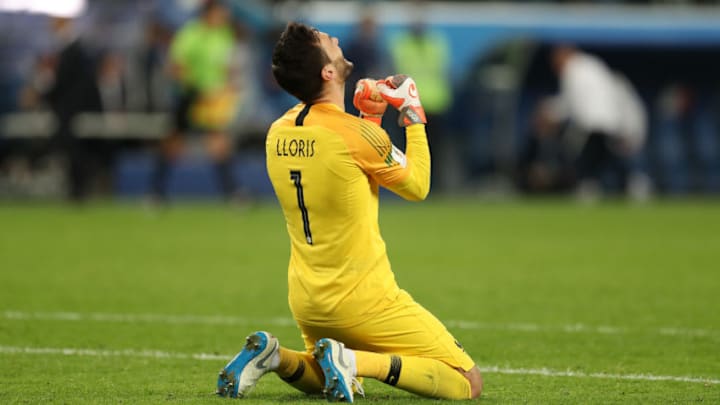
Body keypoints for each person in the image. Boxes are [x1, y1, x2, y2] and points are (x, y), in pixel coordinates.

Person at [215, 22, 482, 402]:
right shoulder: (353, 136)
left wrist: (370, 119)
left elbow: (345, 172)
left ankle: (275, 357)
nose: (336, 40)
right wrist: (410, 111)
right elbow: (417, 185)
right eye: (327, 42)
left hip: (308, 299)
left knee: (324, 371)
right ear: (327, 71)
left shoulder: (278, 131)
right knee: (467, 382)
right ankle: (356, 362)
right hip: (365, 298)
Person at [149, 0, 239, 202]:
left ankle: (232, 192)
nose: (223, 17)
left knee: (219, 143)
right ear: (208, 14)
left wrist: (227, 86)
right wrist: (195, 86)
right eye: (220, 13)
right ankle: (156, 191)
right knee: (173, 143)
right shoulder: (190, 34)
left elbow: (225, 66)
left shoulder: (224, 34)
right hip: (190, 96)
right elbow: (175, 67)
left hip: (212, 99)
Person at [543, 45, 650, 199]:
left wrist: (550, 113)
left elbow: (570, 102)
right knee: (605, 155)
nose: (555, 66)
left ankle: (594, 186)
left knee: (595, 156)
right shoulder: (592, 64)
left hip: (596, 121)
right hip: (611, 120)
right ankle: (633, 183)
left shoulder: (573, 70)